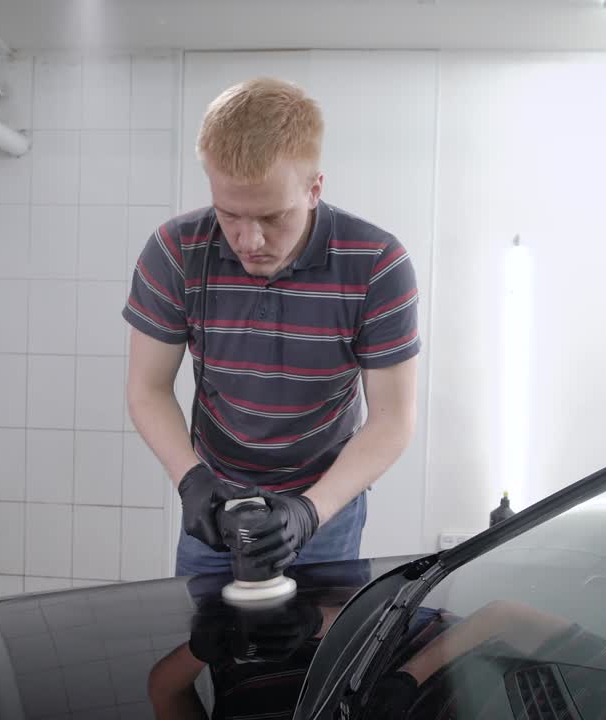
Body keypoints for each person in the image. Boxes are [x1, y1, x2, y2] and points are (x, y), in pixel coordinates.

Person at [123, 77, 421, 577]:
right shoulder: (175, 251)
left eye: (271, 216)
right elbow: (147, 388)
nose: (249, 239)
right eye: (229, 214)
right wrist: (191, 480)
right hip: (218, 502)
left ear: (314, 189)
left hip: (326, 505)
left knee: (319, 653)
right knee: (210, 641)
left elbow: (392, 418)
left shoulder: (377, 263)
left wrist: (308, 512)